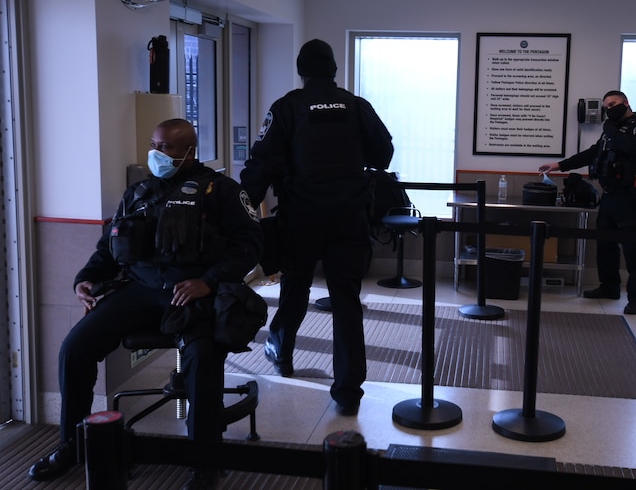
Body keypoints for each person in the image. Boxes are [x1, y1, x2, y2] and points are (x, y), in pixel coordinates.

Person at [28, 119, 264, 489]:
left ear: (190, 151)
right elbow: (109, 247)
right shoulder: (137, 193)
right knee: (75, 347)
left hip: (194, 291)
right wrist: (85, 279)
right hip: (139, 290)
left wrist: (208, 282)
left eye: (166, 147)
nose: (157, 153)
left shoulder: (221, 190)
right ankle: (72, 444)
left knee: (202, 358)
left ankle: (204, 461)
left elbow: (249, 245)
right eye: (154, 144)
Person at [241, 38, 393, 416]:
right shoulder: (357, 106)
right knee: (346, 302)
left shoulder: (287, 108)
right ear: (334, 70)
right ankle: (347, 392)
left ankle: (281, 350)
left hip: (302, 218)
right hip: (349, 219)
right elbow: (384, 153)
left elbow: (262, 165)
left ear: (301, 70)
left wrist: (240, 208)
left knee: (295, 289)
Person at [539, 91, 636, 315]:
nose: (609, 110)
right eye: (606, 107)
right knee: (605, 244)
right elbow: (593, 154)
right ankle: (609, 287)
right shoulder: (609, 134)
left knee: (633, 250)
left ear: (626, 103)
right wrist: (560, 165)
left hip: (632, 198)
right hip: (610, 196)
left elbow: (630, 148)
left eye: (612, 104)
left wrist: (610, 130)